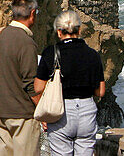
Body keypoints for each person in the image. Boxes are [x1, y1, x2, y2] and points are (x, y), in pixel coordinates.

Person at [35, 10, 105, 156]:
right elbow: (100, 92)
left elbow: (38, 87)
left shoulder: (51, 53)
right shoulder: (93, 54)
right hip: (87, 111)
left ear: (59, 32)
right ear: (79, 30)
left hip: (60, 110)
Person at [0, 0, 41, 156]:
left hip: (2, 111)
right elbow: (30, 84)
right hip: (22, 115)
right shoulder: (26, 43)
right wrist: (42, 112)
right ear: (32, 14)